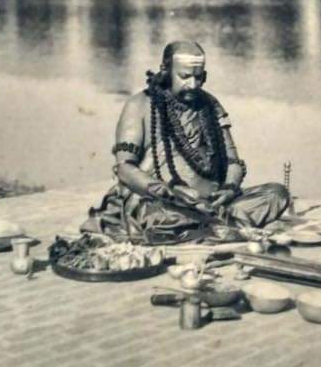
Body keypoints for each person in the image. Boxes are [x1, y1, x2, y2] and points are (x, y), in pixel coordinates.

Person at [82, 41, 290, 242]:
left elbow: (233, 161)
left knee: (277, 194)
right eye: (184, 76)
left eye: (198, 77)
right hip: (160, 203)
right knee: (162, 217)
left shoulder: (210, 104)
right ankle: (218, 226)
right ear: (166, 72)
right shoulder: (140, 105)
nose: (193, 84)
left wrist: (228, 189)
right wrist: (170, 193)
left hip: (213, 204)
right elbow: (124, 168)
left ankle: (209, 226)